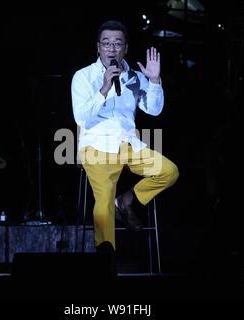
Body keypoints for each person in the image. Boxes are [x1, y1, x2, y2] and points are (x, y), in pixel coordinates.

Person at [71, 20, 179, 256]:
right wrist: (104, 88)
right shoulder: (83, 77)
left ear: (125, 48)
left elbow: (154, 109)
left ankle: (127, 200)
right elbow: (81, 117)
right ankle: (106, 258)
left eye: (117, 44)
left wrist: (153, 81)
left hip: (130, 145)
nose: (112, 49)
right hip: (97, 145)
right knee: (104, 199)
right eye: (106, 43)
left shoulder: (135, 77)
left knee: (169, 172)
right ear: (98, 47)